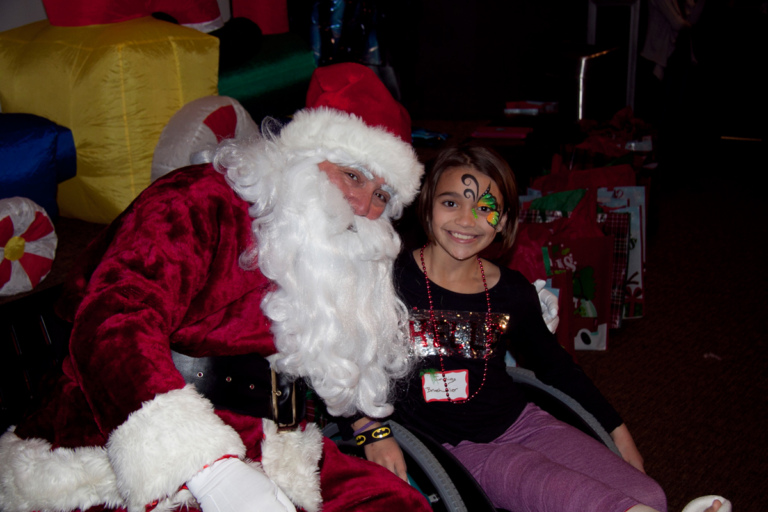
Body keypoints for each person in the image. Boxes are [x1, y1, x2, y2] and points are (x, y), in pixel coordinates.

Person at [0, 63, 431, 512]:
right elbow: (114, 320)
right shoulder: (196, 201)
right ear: (303, 158)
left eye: (383, 195)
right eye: (354, 175)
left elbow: (330, 350)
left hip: (273, 444)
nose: (364, 205)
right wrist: (214, 470)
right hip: (113, 443)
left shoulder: (335, 252)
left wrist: (369, 425)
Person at [357, 145, 726, 512]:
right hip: (454, 448)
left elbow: (557, 367)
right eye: (451, 203)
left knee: (650, 497)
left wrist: (619, 433)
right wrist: (370, 428)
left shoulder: (512, 291)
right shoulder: (388, 279)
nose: (467, 221)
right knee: (574, 493)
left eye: (485, 208)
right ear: (427, 205)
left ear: (502, 222)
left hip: (521, 424)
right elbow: (340, 358)